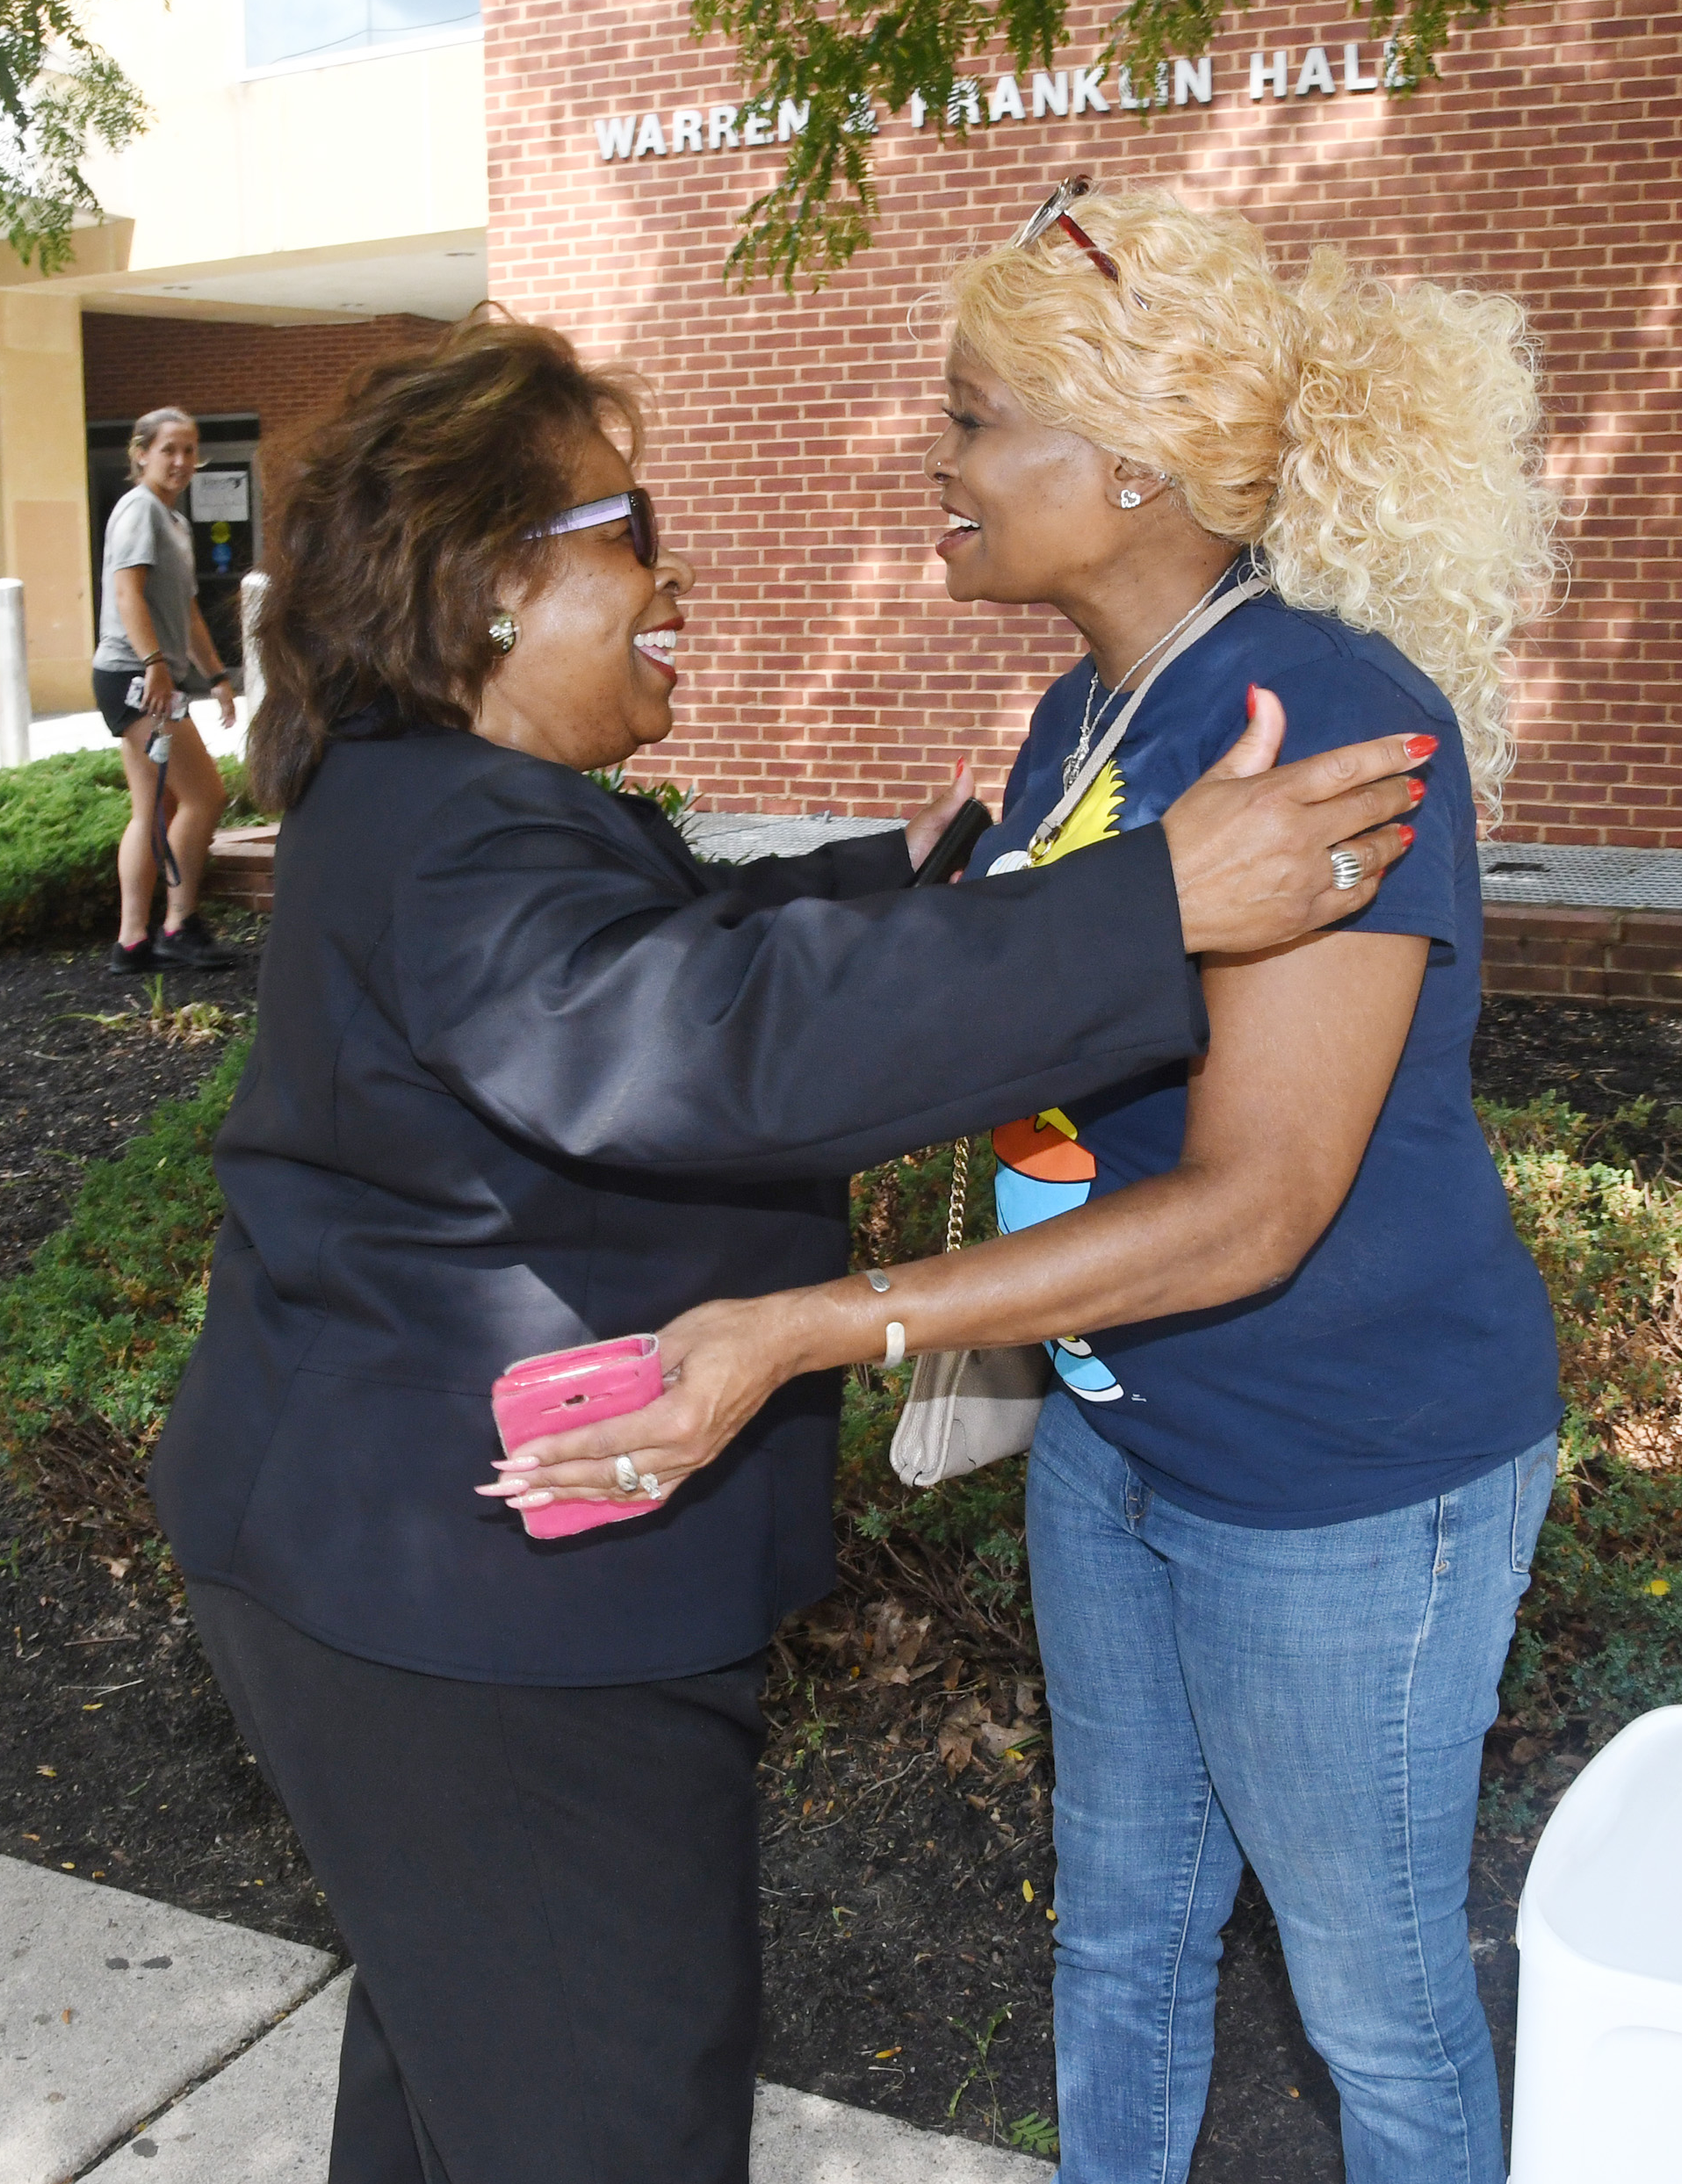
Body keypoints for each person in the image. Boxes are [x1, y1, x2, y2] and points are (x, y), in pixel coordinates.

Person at [147, 311, 1432, 2184]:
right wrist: (1154, 901)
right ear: (497, 582)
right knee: (603, 2112)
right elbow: (700, 1049)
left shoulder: (439, 803)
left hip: (398, 1572)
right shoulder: (456, 846)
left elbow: (659, 955)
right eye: (631, 527)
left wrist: (886, 883)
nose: (676, 575)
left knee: (463, 2074)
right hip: (477, 1615)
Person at [509, 184, 1566, 2184]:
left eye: (980, 417)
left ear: (1137, 464)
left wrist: (832, 1321)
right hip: (1117, 1426)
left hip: (1342, 1472)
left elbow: (1258, 1205)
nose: (941, 459)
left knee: (1368, 1995)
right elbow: (1005, 1013)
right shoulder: (1091, 707)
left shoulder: (1326, 717)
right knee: (1123, 1938)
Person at [95, 406, 240, 974]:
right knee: (205, 796)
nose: (181, 461)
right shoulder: (138, 510)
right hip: (136, 675)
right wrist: (156, 663)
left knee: (156, 807)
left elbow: (187, 610)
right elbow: (127, 593)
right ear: (141, 454)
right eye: (169, 449)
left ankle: (132, 942)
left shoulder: (173, 522)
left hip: (150, 674)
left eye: (189, 450)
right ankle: (178, 926)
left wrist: (218, 675)